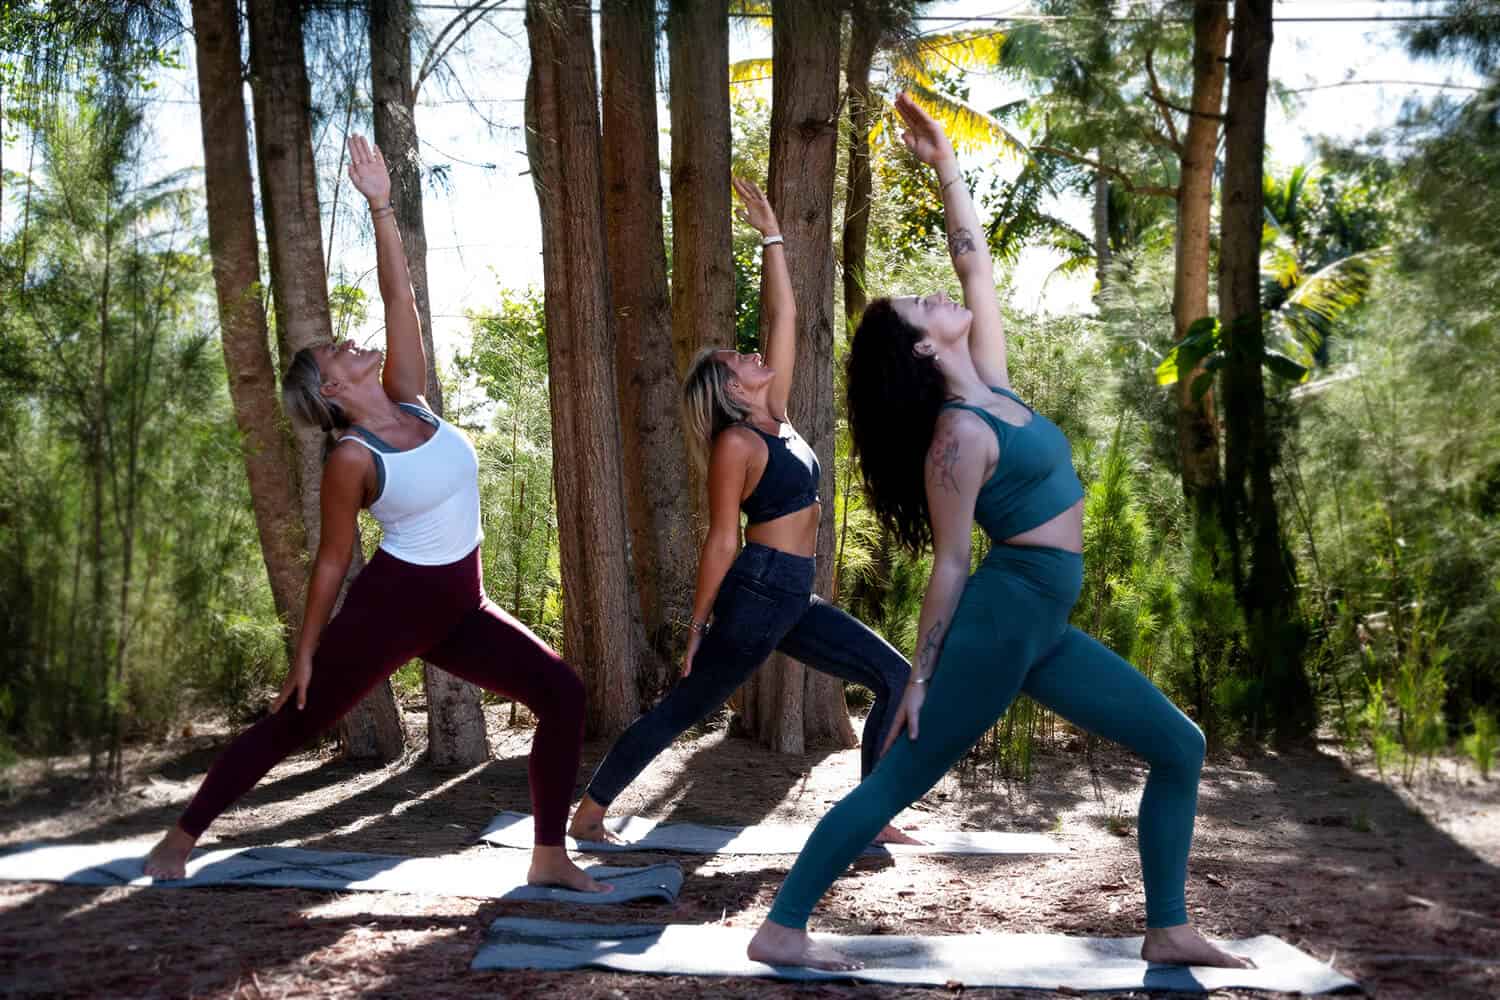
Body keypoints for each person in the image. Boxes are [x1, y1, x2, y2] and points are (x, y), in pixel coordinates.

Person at [746, 94, 1253, 970]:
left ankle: (1166, 927)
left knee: (1178, 744)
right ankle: (782, 927)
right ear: (916, 348)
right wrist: (919, 676)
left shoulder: (991, 384)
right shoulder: (960, 436)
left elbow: (974, 265)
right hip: (1004, 617)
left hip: (1043, 620)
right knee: (903, 775)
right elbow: (950, 564)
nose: (939, 290)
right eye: (919, 301)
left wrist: (944, 163)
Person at [144, 137, 607, 894]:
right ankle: (181, 835)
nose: (351, 342)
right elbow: (333, 560)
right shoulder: (352, 459)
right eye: (336, 354)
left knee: (562, 692)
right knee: (295, 720)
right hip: (394, 606)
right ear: (330, 393)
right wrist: (305, 650)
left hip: (461, 604)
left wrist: (381, 204)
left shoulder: (411, 396)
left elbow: (401, 301)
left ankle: (549, 854)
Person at [568, 177, 916, 847]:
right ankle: (589, 815)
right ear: (729, 388)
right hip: (758, 591)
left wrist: (773, 237)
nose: (751, 352)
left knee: (893, 675)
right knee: (686, 707)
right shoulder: (735, 442)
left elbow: (785, 318)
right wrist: (700, 624)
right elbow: (722, 541)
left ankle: (872, 817)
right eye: (738, 357)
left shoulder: (776, 415)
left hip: (793, 592)